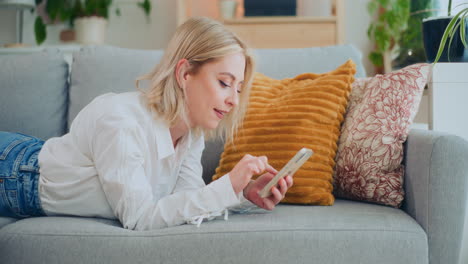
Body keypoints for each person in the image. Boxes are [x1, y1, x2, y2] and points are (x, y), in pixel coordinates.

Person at [0, 17, 293, 230]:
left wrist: (243, 194)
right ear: (185, 74)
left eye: (238, 88)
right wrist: (227, 185)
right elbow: (140, 218)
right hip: (14, 171)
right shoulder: (120, 122)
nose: (233, 101)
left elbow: (185, 204)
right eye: (224, 83)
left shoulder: (191, 136)